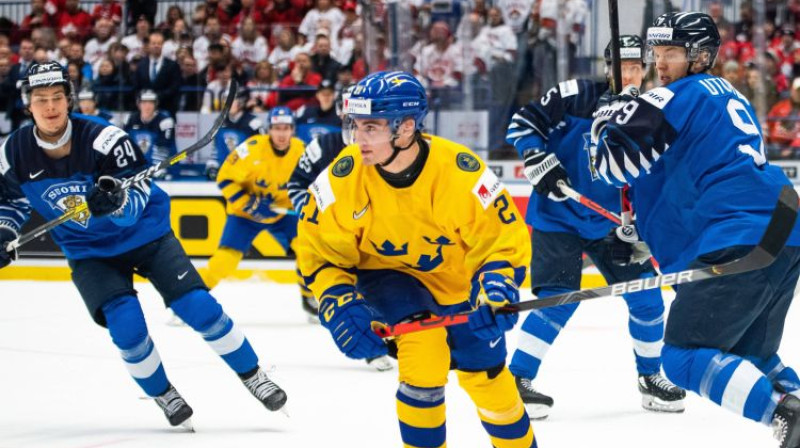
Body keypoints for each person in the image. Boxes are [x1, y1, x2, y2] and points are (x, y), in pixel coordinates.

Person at [0, 61, 287, 429]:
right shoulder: (14, 153)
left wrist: (118, 203)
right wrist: (5, 234)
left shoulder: (105, 139)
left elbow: (138, 192)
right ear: (28, 104)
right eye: (42, 99)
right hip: (89, 253)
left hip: (145, 236)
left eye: (58, 97)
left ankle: (253, 375)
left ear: (70, 100)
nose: (51, 106)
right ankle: (164, 394)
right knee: (127, 329)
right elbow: (9, 202)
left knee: (199, 307)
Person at [590, 12, 800, 448]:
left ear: (700, 56)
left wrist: (606, 118)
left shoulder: (680, 95)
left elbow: (610, 166)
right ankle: (791, 399)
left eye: (671, 53)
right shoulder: (725, 95)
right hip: (783, 226)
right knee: (750, 356)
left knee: (682, 359)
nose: (661, 63)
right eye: (657, 53)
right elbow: (685, 175)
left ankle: (788, 416)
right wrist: (643, 235)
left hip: (741, 233)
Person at [296, 71, 537, 448]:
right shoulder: (342, 178)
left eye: (371, 127)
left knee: (489, 381)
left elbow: (501, 241)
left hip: (458, 283)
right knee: (423, 360)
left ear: (406, 127)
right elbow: (320, 252)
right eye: (355, 125)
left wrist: (496, 286)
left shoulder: (460, 173)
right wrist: (336, 300)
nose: (359, 138)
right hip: (387, 278)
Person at [504, 35, 685, 419]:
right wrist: (538, 159)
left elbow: (654, 181)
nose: (631, 75)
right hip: (559, 215)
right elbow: (522, 124)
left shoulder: (652, 112)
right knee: (559, 299)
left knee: (648, 299)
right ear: (608, 69)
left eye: (638, 68)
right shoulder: (575, 95)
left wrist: (639, 232)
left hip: (612, 224)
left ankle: (650, 378)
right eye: (623, 68)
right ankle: (516, 380)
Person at [200, 107, 319, 322]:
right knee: (224, 261)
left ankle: (309, 298)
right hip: (245, 215)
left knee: (307, 250)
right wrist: (250, 204)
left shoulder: (302, 151)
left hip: (283, 212)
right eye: (277, 128)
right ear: (268, 130)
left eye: (286, 128)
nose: (281, 134)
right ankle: (191, 300)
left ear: (293, 130)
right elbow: (224, 179)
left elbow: (312, 183)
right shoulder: (251, 149)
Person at [205, 89, 265, 180]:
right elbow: (215, 152)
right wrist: (212, 166)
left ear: (241, 102)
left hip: (249, 172)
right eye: (225, 100)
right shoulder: (219, 122)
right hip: (226, 171)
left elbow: (263, 152)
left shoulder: (254, 123)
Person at [123, 90, 175, 179]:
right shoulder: (130, 119)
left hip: (159, 166)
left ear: (156, 104)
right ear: (138, 104)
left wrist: (156, 168)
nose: (147, 106)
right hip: (136, 167)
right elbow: (125, 145)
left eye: (151, 102)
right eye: (144, 102)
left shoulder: (165, 121)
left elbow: (164, 147)